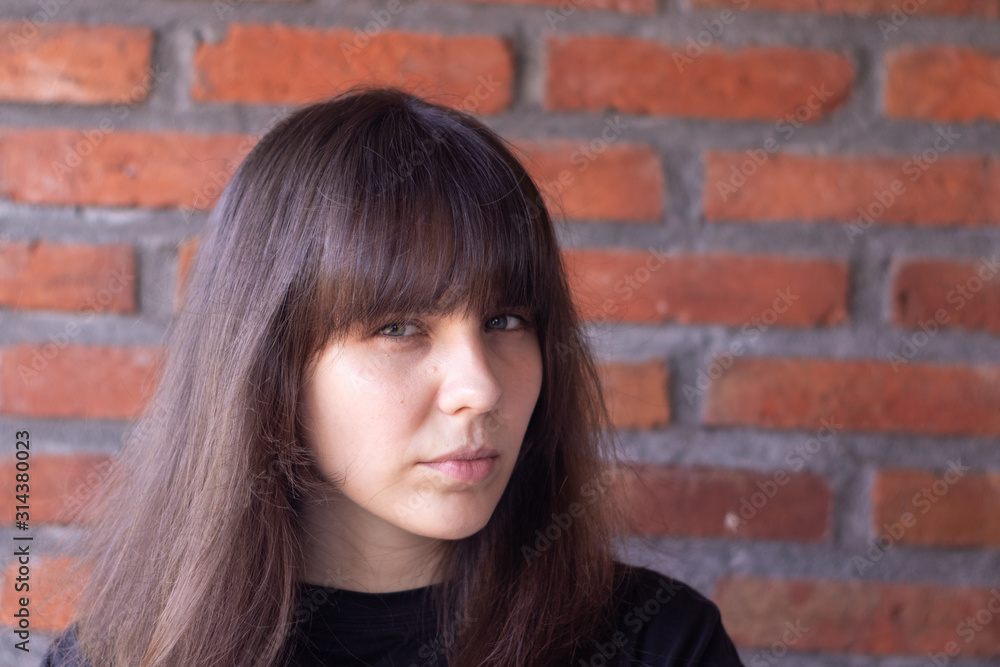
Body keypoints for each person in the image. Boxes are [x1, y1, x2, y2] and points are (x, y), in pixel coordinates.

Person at [41, 86, 745, 667]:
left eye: (505, 321)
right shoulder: (121, 655)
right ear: (268, 363)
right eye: (399, 328)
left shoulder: (659, 644)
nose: (482, 388)